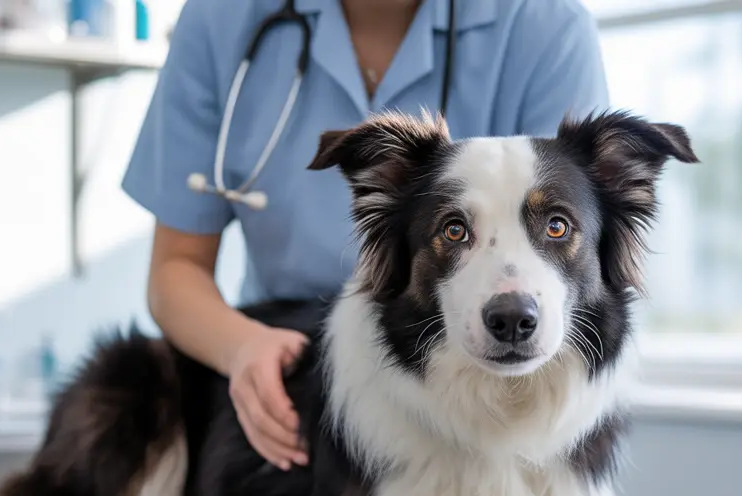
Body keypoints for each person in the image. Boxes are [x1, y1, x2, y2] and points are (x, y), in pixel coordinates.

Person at [122, 0, 609, 471]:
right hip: (286, 362)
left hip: (469, 391)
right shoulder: (221, 16)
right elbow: (175, 269)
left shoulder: (545, 25)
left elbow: (568, 253)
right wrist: (242, 348)